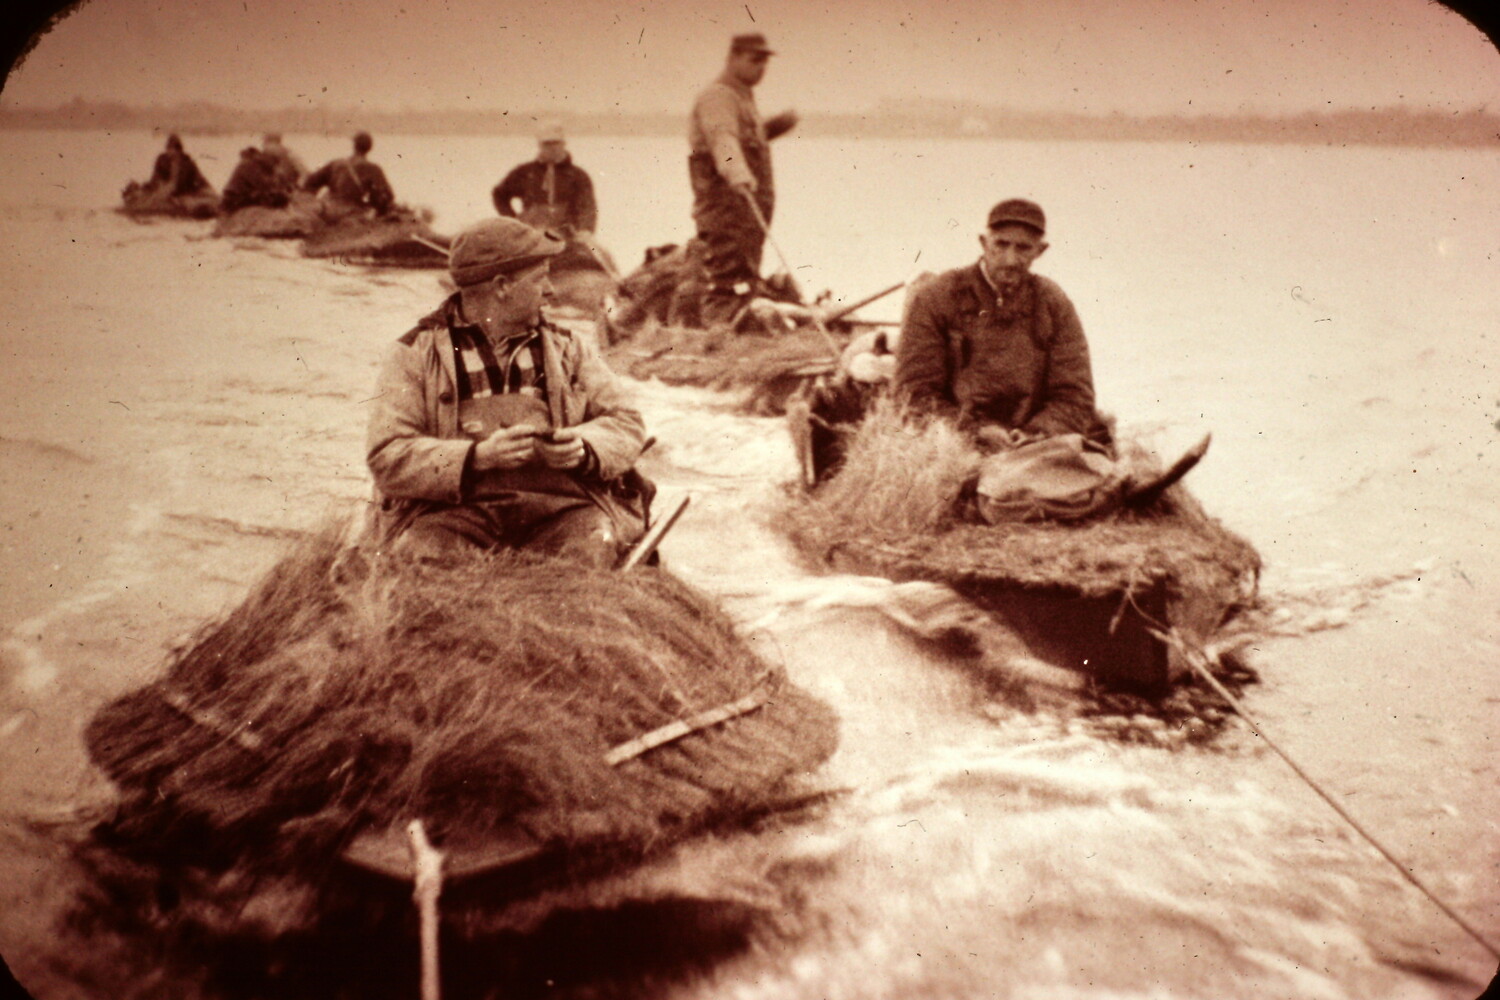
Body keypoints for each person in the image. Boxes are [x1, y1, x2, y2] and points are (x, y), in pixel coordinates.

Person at [365, 217, 651, 567]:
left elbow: (627, 422)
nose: (551, 291)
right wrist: (477, 457)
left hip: (560, 510)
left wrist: (582, 447)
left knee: (592, 547)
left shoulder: (569, 348)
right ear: (502, 286)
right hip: (452, 514)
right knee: (424, 555)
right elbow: (388, 456)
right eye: (539, 278)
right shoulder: (412, 353)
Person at [893, 198, 1110, 448]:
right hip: (950, 443)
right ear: (984, 243)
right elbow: (913, 393)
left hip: (1032, 446)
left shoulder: (1053, 303)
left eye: (1023, 248)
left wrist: (1035, 435)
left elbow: (1074, 396)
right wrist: (972, 432)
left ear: (1040, 251)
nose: (1010, 259)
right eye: (1001, 244)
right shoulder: (937, 296)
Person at [688, 32, 799, 327]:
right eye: (754, 60)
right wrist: (736, 172)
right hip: (727, 208)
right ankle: (719, 337)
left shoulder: (741, 98)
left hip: (745, 210)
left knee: (745, 278)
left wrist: (773, 128)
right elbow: (721, 137)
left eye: (764, 62)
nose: (760, 68)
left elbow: (741, 138)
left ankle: (738, 331)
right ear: (733, 57)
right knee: (727, 280)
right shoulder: (719, 96)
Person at [491, 122, 598, 239]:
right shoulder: (525, 172)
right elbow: (499, 194)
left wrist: (585, 229)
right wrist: (511, 221)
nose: (552, 148)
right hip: (530, 234)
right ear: (540, 145)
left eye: (556, 143)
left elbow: (588, 205)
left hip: (568, 235)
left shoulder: (578, 175)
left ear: (563, 144)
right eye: (547, 144)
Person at [303, 131, 395, 221]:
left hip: (327, 210)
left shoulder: (336, 163)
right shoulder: (373, 169)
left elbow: (310, 182)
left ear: (354, 146)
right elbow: (387, 196)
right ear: (370, 148)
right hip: (350, 213)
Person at [219, 146, 292, 213]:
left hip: (235, 200)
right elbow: (263, 185)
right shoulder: (249, 165)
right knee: (279, 199)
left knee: (277, 197)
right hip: (234, 201)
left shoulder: (250, 163)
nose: (274, 165)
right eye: (275, 161)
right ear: (268, 158)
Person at [145, 134, 212, 197]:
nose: (170, 152)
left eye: (173, 149)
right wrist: (161, 186)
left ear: (179, 151)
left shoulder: (187, 162)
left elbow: (199, 178)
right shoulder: (162, 160)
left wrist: (208, 189)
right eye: (169, 148)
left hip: (183, 193)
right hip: (163, 190)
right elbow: (155, 177)